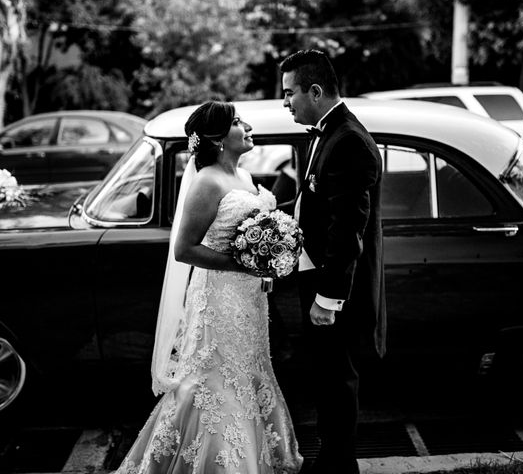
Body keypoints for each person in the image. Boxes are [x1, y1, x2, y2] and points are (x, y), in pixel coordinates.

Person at [116, 101, 303, 474]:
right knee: (214, 380)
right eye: (237, 122)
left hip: (248, 300)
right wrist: (243, 263)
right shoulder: (206, 181)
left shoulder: (247, 178)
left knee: (248, 370)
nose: (247, 127)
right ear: (218, 138)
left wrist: (268, 258)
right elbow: (185, 248)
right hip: (218, 298)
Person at [279, 50, 386, 474]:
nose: (285, 102)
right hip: (316, 275)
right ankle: (330, 457)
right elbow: (314, 202)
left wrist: (328, 297)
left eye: (290, 93)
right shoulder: (326, 133)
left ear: (315, 91)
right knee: (325, 374)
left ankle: (340, 466)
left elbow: (348, 230)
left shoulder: (348, 142)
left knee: (337, 377)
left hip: (335, 288)